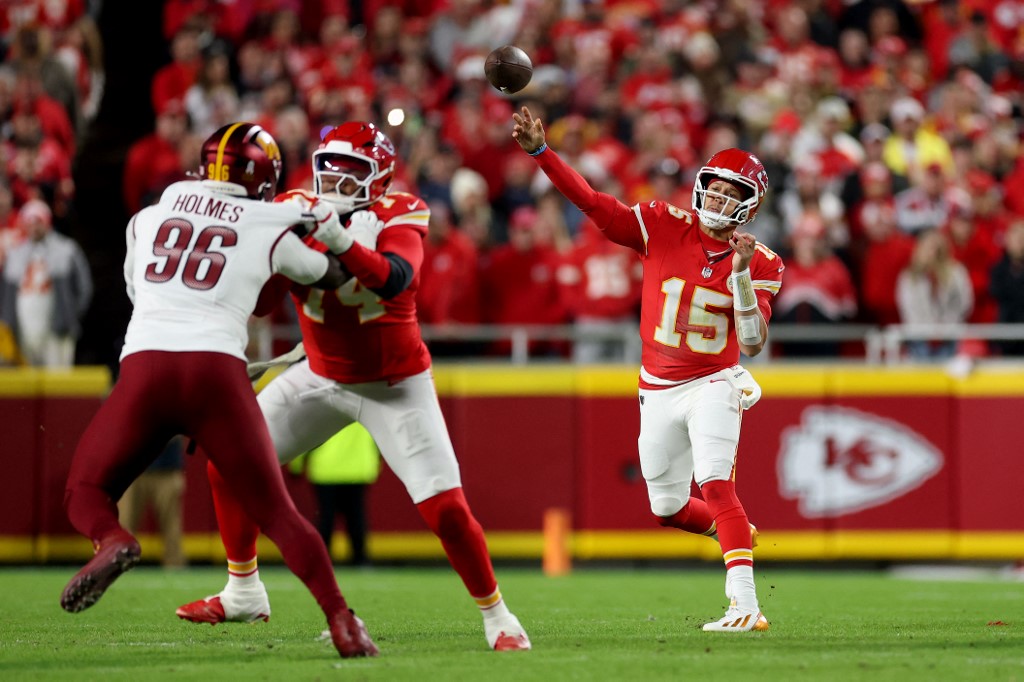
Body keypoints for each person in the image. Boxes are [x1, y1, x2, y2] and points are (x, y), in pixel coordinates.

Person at [176, 121, 531, 652]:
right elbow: (267, 298)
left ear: (380, 178)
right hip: (319, 372)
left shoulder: (401, 211)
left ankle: (499, 618)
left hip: (395, 383)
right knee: (228, 460)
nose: (338, 181)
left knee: (447, 511)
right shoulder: (295, 204)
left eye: (353, 172)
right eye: (330, 169)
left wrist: (340, 240)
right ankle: (243, 590)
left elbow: (396, 279)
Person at [59, 122, 378, 659]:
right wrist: (337, 233)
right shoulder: (272, 217)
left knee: (85, 491)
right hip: (216, 372)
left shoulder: (150, 215)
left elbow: (142, 290)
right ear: (262, 177)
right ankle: (341, 619)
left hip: (146, 366)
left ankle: (112, 539)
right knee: (278, 513)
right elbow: (328, 276)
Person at [511, 106, 783, 632]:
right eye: (716, 187)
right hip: (657, 386)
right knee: (667, 507)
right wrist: (541, 153)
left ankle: (745, 603)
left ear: (749, 205)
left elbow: (751, 342)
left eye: (733, 192)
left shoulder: (762, 260)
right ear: (702, 185)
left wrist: (742, 276)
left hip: (714, 382)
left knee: (715, 485)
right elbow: (594, 204)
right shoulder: (662, 224)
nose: (721, 199)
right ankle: (736, 533)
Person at [1, 199, 93, 367]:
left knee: (58, 382)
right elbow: (6, 294)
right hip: (24, 329)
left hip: (58, 328)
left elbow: (84, 288)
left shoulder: (67, 249)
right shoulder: (15, 254)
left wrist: (71, 314)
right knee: (26, 382)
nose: (34, 227)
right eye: (29, 222)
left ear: (47, 222)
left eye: (38, 222)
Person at [290, 422, 380, 566]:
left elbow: (308, 435)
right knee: (356, 517)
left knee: (326, 518)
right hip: (359, 468)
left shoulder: (323, 406)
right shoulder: (366, 406)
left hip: (326, 469)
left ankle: (321, 560)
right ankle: (361, 560)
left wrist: (296, 465)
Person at [117, 435, 188, 568]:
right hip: (132, 469)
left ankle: (175, 566)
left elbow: (178, 430)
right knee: (124, 525)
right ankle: (118, 567)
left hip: (167, 469)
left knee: (171, 526)